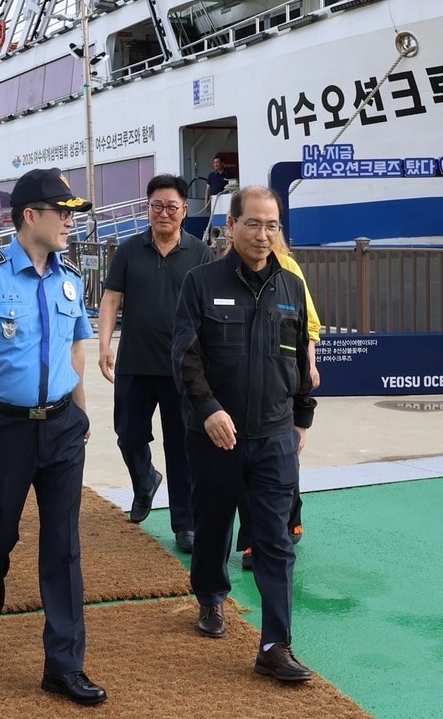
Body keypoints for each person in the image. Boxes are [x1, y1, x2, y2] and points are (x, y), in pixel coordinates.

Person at [0, 167, 107, 707]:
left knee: (63, 546)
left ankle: (63, 665)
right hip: (5, 428)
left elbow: (77, 348)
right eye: (61, 212)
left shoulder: (70, 278)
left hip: (62, 426)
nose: (69, 221)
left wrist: (81, 417)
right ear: (30, 217)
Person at [172, 186, 315, 683]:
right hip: (216, 435)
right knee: (213, 525)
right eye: (252, 223)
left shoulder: (292, 287)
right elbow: (185, 355)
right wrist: (208, 409)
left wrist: (302, 418)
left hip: (274, 437)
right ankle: (211, 595)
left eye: (271, 225)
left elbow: (298, 360)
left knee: (275, 540)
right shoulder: (200, 281)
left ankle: (275, 645)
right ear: (230, 226)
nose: (262, 234)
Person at [97, 174, 214, 553]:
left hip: (184, 368)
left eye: (171, 207)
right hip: (135, 362)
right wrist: (104, 345)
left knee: (182, 448)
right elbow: (111, 299)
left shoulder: (201, 253)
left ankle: (186, 524)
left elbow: (211, 309)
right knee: (128, 435)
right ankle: (144, 479)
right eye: (156, 206)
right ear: (147, 210)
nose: (163, 213)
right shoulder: (130, 251)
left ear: (184, 211)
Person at [237, 230, 321, 570]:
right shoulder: (221, 273)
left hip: (281, 382)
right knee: (249, 468)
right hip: (244, 388)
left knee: (286, 459)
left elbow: (307, 325)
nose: (261, 235)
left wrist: (309, 365)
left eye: (269, 225)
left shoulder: (288, 271)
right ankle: (254, 539)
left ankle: (290, 519)